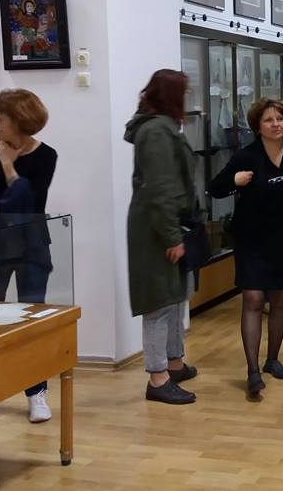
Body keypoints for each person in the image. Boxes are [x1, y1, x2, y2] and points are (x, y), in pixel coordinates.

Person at [208, 99, 283, 396]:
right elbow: (215, 188)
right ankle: (252, 370)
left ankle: (272, 360)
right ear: (257, 126)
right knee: (253, 299)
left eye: (280, 119)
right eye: (268, 120)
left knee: (280, 300)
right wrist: (235, 181)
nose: (275, 124)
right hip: (251, 239)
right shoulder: (246, 156)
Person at [0, 88, 57, 423]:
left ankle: (36, 393)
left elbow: (29, 204)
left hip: (30, 245)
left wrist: (9, 166)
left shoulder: (45, 156)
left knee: (30, 320)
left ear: (19, 120)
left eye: (0, 118)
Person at [124, 69, 200, 405]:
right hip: (157, 228)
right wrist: (171, 237)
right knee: (159, 303)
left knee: (175, 296)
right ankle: (157, 377)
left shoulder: (161, 126)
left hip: (166, 223)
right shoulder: (156, 130)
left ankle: (174, 362)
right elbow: (159, 188)